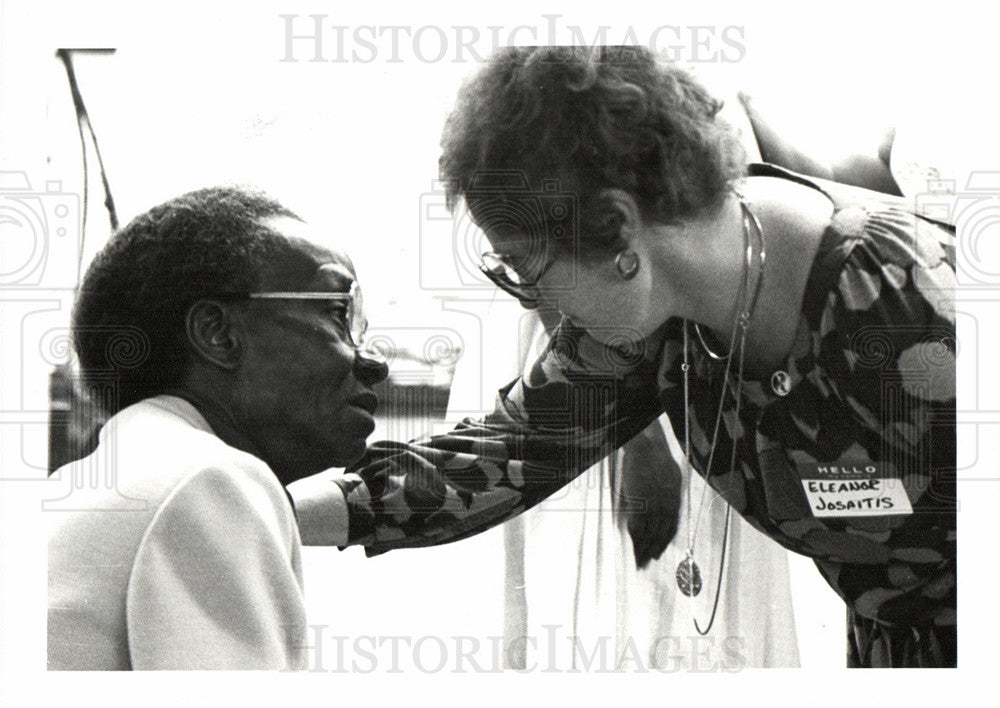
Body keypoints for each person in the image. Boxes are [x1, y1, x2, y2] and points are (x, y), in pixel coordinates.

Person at [307, 46, 954, 668]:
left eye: (524, 268)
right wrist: (265, 512)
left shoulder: (912, 306)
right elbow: (500, 457)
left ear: (617, 228)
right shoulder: (657, 314)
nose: (534, 299)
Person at [47, 186, 389, 670]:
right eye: (338, 314)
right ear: (218, 334)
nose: (374, 362)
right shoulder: (209, 481)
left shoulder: (95, 482)